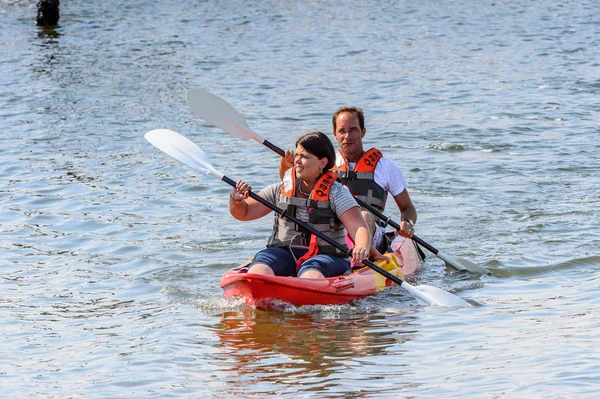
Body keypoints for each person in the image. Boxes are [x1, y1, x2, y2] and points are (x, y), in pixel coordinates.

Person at [229, 131, 376, 279]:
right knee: (259, 269)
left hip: (326, 257)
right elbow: (245, 212)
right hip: (284, 253)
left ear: (323, 163)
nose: (297, 161)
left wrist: (362, 246)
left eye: (305, 157)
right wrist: (236, 200)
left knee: (310, 273)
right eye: (297, 155)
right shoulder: (280, 189)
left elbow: (359, 227)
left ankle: (306, 293)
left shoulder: (337, 193)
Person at [280, 107, 417, 254]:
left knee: (365, 216)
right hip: (333, 234)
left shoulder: (385, 166)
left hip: (372, 235)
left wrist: (407, 222)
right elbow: (292, 186)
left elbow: (408, 208)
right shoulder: (324, 165)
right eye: (342, 131)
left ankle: (360, 260)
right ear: (335, 134)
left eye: (353, 130)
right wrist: (285, 164)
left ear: (363, 131)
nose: (347, 136)